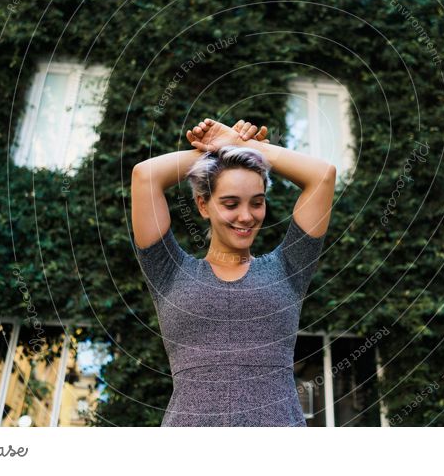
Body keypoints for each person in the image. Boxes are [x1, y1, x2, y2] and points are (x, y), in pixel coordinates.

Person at [131, 118, 336, 426]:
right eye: (230, 203)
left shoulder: (289, 268)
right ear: (203, 204)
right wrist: (219, 151)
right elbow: (144, 176)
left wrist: (246, 147)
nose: (246, 216)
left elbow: (323, 175)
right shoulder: (168, 271)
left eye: (257, 203)